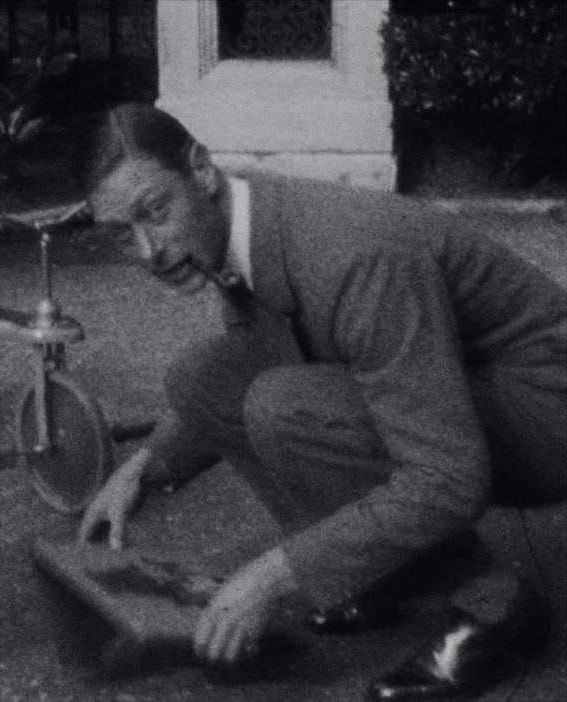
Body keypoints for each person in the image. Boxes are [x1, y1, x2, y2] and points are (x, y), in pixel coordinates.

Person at [76, 103, 566, 700]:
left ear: (200, 171)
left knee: (286, 409)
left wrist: (278, 573)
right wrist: (147, 464)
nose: (148, 251)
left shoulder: (353, 257)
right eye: (122, 233)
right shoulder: (241, 223)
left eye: (156, 211)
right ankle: (383, 580)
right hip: (473, 380)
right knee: (201, 380)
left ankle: (499, 610)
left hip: (547, 409)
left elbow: (450, 478)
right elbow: (262, 350)